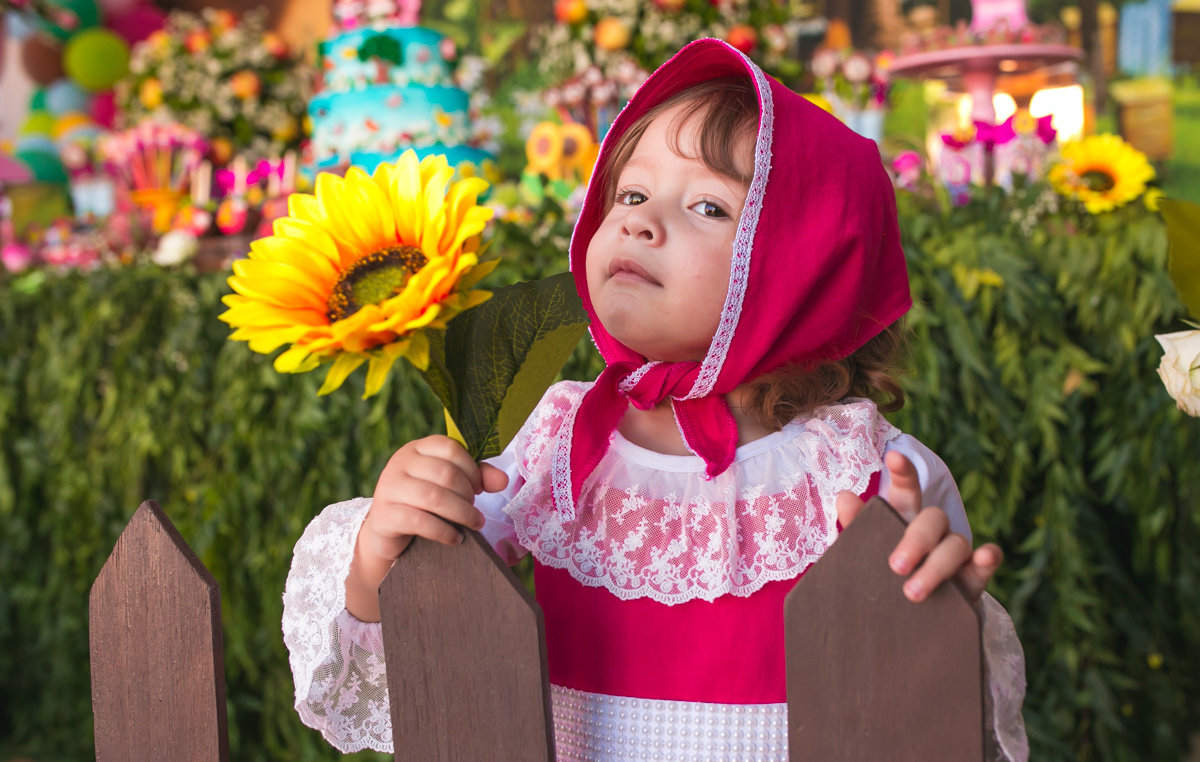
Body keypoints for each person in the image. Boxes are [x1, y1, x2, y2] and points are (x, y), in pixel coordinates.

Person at [282, 39, 1028, 761]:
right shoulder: (548, 443)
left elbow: (947, 722)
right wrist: (383, 548)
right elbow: (421, 632)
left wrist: (937, 619)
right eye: (631, 192)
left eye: (708, 206)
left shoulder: (869, 475)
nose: (638, 219)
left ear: (805, 267)